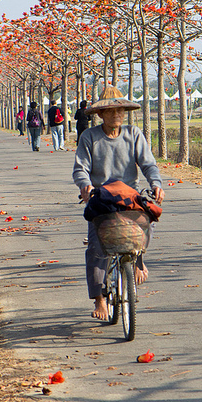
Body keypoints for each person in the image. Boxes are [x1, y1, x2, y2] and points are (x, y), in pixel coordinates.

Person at [73, 86, 164, 320]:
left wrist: (156, 183)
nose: (117, 115)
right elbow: (80, 168)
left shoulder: (133, 134)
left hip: (128, 196)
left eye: (120, 111)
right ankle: (100, 299)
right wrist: (85, 186)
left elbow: (148, 163)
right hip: (102, 197)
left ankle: (137, 260)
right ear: (101, 114)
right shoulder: (89, 137)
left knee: (148, 219)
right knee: (96, 247)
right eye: (111, 111)